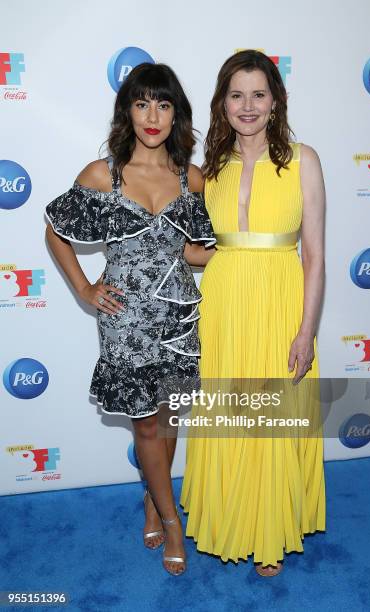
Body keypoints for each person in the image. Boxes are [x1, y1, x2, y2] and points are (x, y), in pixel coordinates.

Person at [45, 62, 215, 576]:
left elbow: (190, 252)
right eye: (142, 103)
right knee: (145, 424)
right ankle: (171, 520)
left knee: (168, 420)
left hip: (178, 317)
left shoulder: (192, 178)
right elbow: (57, 232)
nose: (152, 115)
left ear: (176, 113)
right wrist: (84, 287)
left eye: (163, 104)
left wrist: (252, 252)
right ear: (127, 111)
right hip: (125, 321)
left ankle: (152, 497)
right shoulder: (105, 175)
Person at [180, 50, 326, 576]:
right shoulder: (208, 170)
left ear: (275, 101)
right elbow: (190, 240)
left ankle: (269, 532)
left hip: (281, 299)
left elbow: (315, 256)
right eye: (236, 95)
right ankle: (229, 521)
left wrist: (306, 332)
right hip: (223, 304)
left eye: (258, 94)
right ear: (222, 103)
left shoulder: (303, 159)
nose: (247, 106)